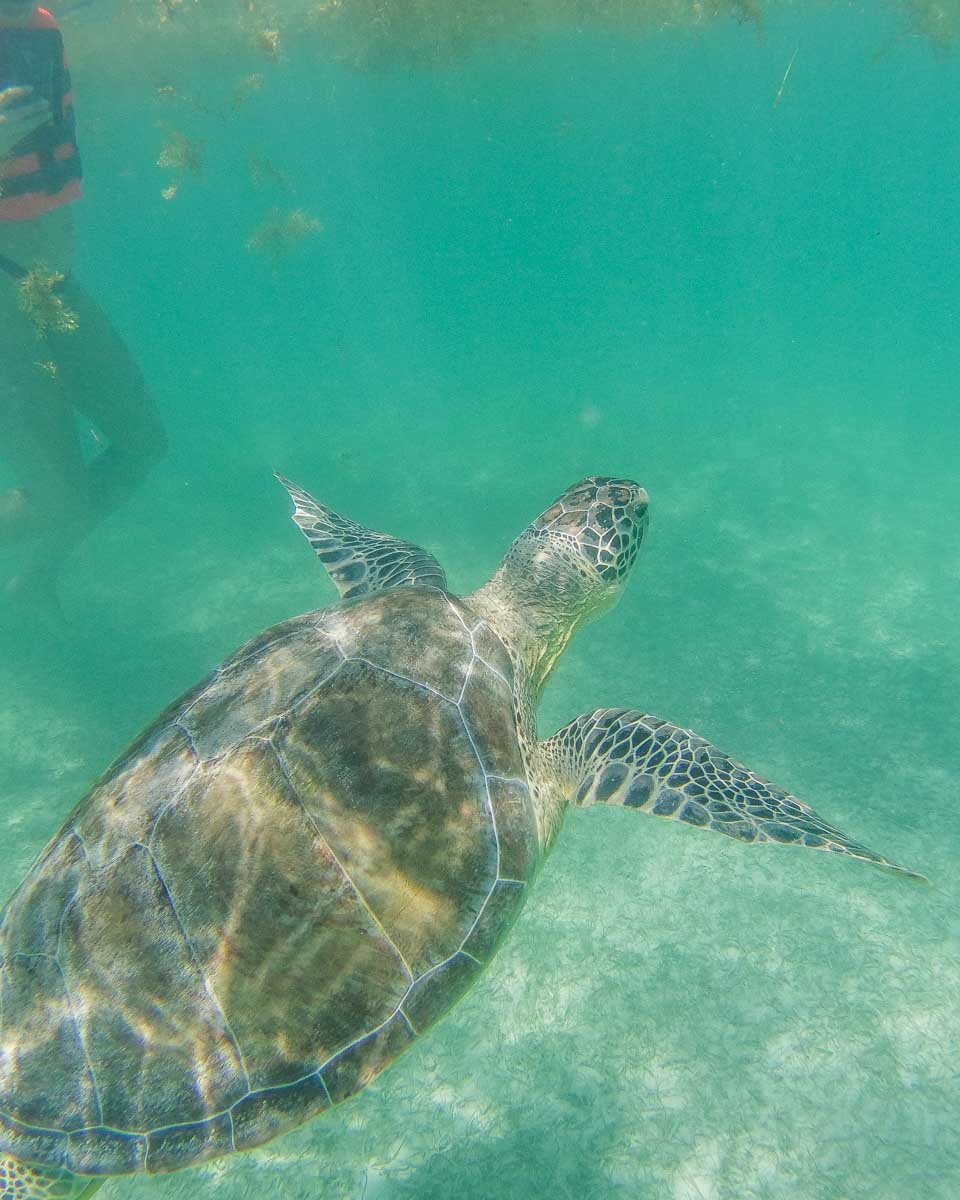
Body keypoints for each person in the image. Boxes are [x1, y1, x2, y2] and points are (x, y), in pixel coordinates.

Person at [0, 0, 166, 620]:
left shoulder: (39, 26)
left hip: (55, 281)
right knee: (56, 498)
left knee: (143, 442)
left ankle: (38, 576)